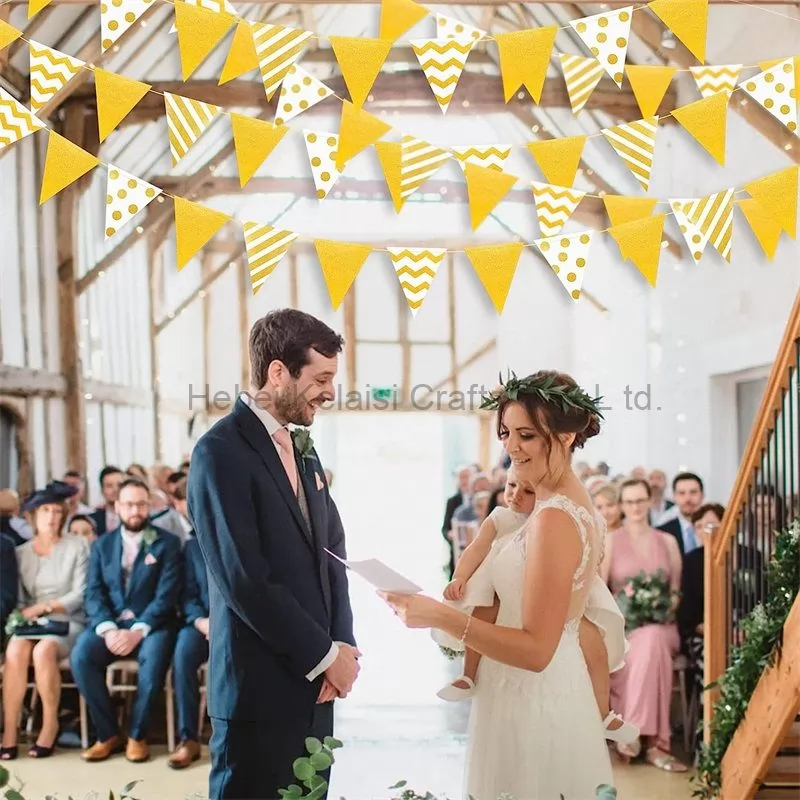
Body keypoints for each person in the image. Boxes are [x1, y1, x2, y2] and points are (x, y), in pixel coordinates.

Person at [382, 370, 614, 800]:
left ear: (564, 436)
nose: (510, 447)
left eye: (526, 434)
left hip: (534, 700)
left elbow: (536, 650)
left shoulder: (554, 517)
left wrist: (439, 615)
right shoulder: (559, 505)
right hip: (532, 690)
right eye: (506, 432)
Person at [188, 309, 359, 800]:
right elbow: (243, 576)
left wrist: (342, 645)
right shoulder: (220, 451)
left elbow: (332, 551)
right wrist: (323, 654)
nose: (329, 391)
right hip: (257, 690)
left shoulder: (304, 448)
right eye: (321, 377)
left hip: (317, 687)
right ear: (278, 372)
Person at [435, 468, 637, 745]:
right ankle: (468, 675)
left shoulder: (555, 518)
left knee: (595, 645)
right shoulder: (500, 517)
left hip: (550, 593)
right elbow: (477, 548)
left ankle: (604, 713)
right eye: (511, 486)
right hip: (500, 584)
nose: (516, 495)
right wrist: (459, 576)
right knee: (485, 611)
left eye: (527, 491)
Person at [71, 477, 183, 764]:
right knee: (82, 656)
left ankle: (137, 735)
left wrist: (137, 630)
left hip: (152, 624)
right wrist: (108, 629)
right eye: (130, 504)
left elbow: (166, 596)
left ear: (149, 506)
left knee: (155, 657)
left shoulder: (167, 543)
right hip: (111, 625)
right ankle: (108, 733)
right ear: (118, 506)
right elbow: (93, 593)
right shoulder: (102, 546)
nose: (136, 510)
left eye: (142, 504)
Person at [603, 478, 686, 771]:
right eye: (629, 502)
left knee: (651, 640)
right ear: (622, 506)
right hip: (623, 628)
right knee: (643, 646)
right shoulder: (610, 541)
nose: (635, 507)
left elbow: (676, 591)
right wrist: (626, 615)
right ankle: (655, 746)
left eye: (640, 500)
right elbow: (602, 591)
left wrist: (658, 607)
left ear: (650, 501)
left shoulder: (668, 542)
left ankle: (633, 732)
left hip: (663, 626)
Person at [1, 482, 88, 760]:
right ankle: (11, 730)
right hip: (32, 622)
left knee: (44, 650)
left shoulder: (77, 546)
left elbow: (81, 593)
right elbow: (21, 599)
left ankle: (49, 725)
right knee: (15, 649)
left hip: (67, 620)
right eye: (45, 511)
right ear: (32, 516)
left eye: (56, 511)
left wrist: (47, 606)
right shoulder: (22, 552)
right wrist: (28, 612)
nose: (51, 517)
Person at [168, 531, 209, 770]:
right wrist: (200, 621)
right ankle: (189, 739)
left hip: (240, 623)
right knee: (183, 655)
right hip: (202, 622)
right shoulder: (192, 546)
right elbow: (187, 595)